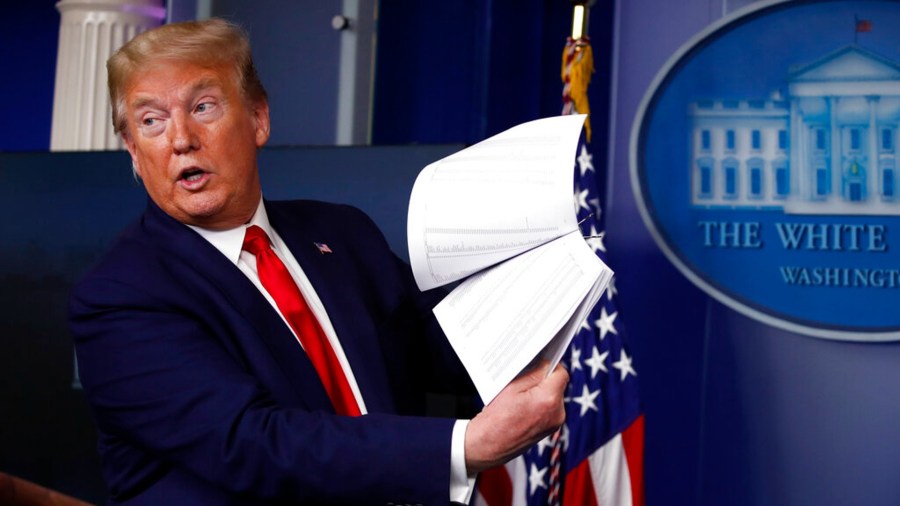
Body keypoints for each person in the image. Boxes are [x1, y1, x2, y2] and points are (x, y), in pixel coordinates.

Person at [68, 18, 568, 505]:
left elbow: (445, 354)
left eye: (203, 106)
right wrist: (463, 448)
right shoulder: (119, 297)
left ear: (258, 118)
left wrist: (547, 302)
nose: (180, 139)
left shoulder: (342, 234)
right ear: (134, 152)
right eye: (151, 120)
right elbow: (253, 444)